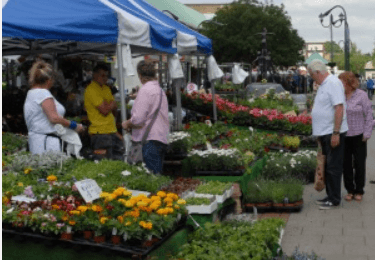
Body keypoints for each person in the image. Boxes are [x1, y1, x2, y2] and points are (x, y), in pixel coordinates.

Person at [308, 59, 348, 210]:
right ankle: (330, 195)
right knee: (328, 166)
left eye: (313, 76)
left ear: (318, 72)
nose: (313, 79)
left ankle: (334, 199)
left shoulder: (332, 83)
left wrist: (336, 132)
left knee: (333, 166)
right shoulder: (324, 84)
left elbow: (339, 108)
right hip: (325, 132)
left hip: (332, 132)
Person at [24, 61, 84, 154]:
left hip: (38, 141)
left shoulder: (31, 93)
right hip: (47, 143)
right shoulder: (43, 93)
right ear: (49, 80)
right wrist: (74, 125)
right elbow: (54, 118)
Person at [122, 61, 169, 174]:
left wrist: (127, 123)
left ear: (140, 75)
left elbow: (138, 119)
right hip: (160, 138)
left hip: (148, 141)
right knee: (156, 176)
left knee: (149, 177)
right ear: (155, 75)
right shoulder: (160, 91)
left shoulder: (145, 90)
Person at [338, 72, 373, 202]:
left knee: (359, 164)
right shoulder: (339, 96)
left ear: (348, 82)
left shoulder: (362, 95)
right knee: (345, 164)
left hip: (359, 135)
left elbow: (369, 115)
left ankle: (359, 190)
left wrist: (367, 133)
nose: (339, 84)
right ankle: (350, 190)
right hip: (343, 134)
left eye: (341, 82)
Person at [84, 64, 124, 160]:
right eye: (102, 75)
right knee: (104, 163)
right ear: (95, 75)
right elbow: (105, 110)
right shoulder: (91, 89)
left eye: (106, 76)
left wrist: (109, 105)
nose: (105, 78)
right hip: (99, 134)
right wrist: (110, 105)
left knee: (117, 161)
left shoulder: (106, 88)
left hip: (111, 131)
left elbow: (113, 108)